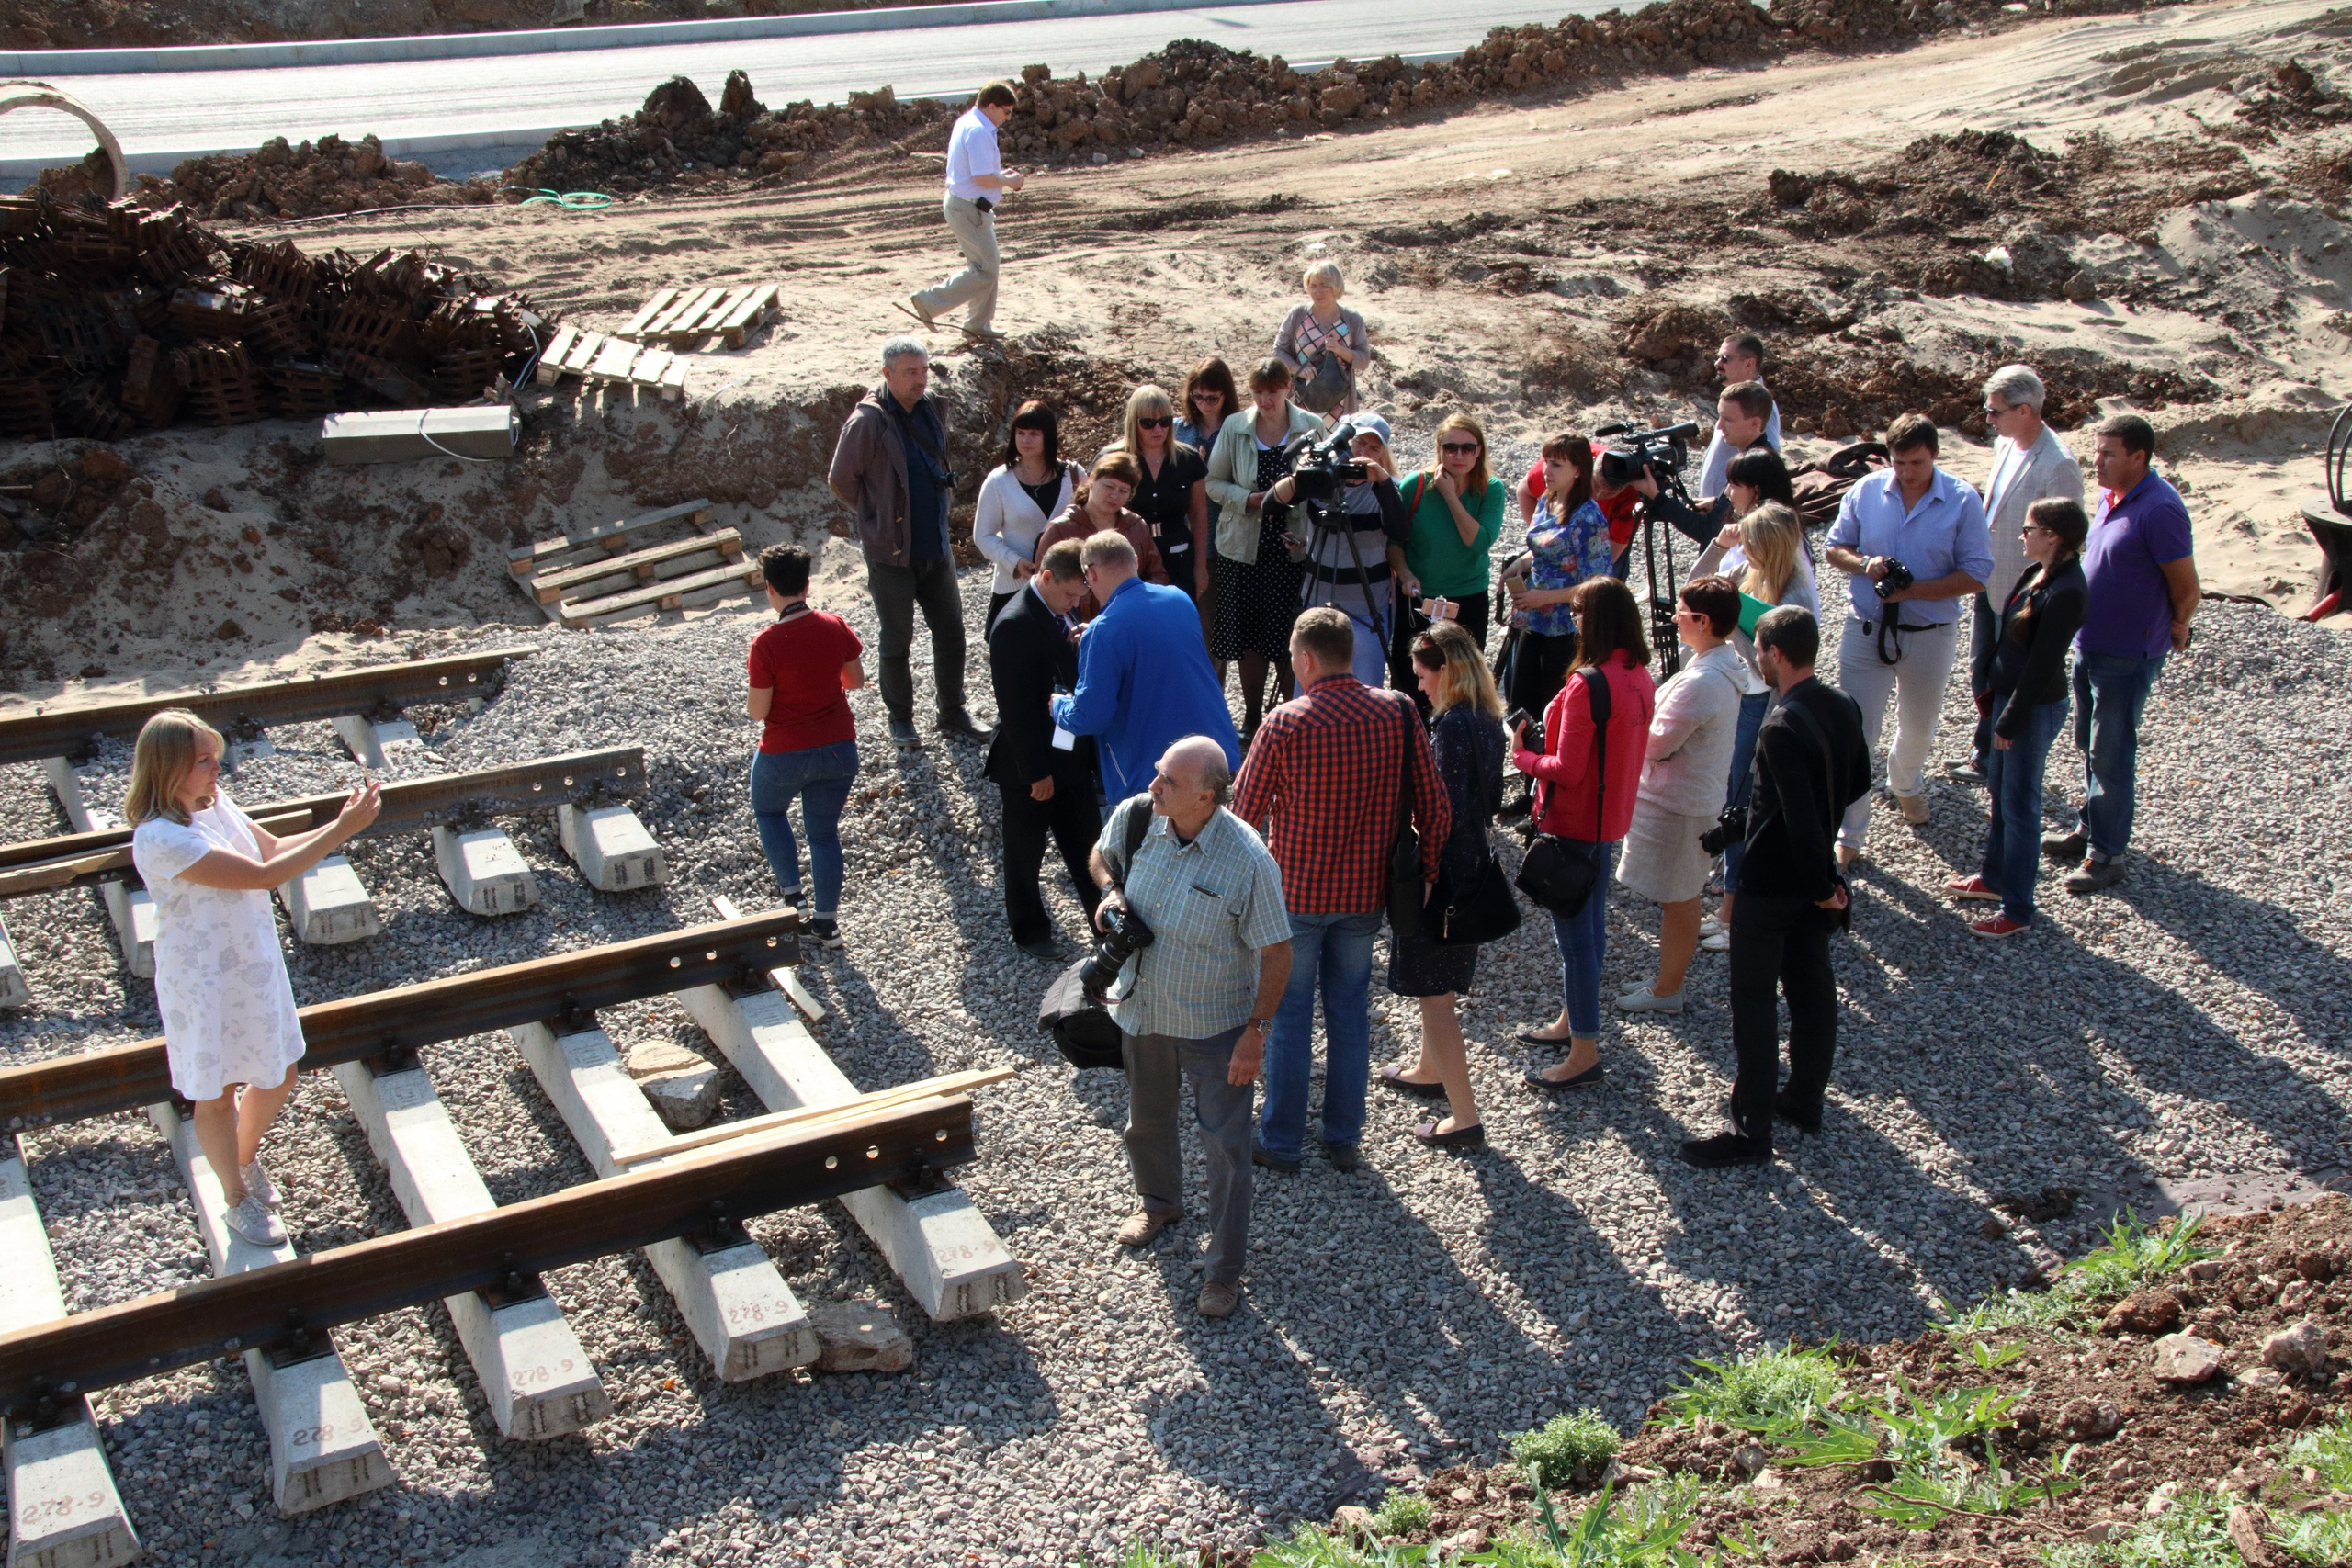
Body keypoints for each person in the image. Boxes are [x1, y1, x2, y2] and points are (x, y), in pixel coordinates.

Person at [128, 710, 383, 1246]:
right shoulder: (160, 838)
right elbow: (265, 877)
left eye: (214, 756)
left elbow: (268, 850)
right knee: (216, 1093)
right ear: (169, 767)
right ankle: (234, 1196)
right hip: (201, 981)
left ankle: (242, 1160)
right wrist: (342, 830)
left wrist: (341, 822)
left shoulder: (213, 805)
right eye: (203, 760)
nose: (216, 768)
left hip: (250, 965)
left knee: (279, 1073)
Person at [1231, 607, 1449, 1175]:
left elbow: (1244, 817)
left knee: (1288, 1014)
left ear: (1304, 660)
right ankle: (1343, 1135)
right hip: (1366, 896)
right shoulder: (1399, 710)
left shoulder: (1284, 723)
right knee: (1351, 1012)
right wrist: (1426, 875)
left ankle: (1280, 1141)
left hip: (1296, 897)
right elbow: (1436, 805)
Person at [1092, 736, 1292, 1320]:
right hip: (1144, 1014)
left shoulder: (1249, 861)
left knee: (1226, 1151)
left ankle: (1224, 1273)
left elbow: (1279, 954)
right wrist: (1110, 894)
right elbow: (1100, 855)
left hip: (1215, 1028)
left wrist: (1256, 1032)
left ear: (1206, 796)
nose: (1154, 785)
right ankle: (1159, 1204)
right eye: (1158, 773)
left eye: (1168, 782)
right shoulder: (1140, 817)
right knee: (1146, 1121)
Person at [1680, 607, 1870, 1169]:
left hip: (1774, 887)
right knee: (1813, 992)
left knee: (1755, 1005)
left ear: (1778, 655)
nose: (1755, 657)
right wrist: (1827, 886)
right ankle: (1805, 1100)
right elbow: (1855, 783)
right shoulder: (1844, 705)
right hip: (1814, 883)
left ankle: (1751, 1130)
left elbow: (1801, 816)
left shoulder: (1781, 726)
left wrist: (1816, 886)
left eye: (1759, 649)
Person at [1822, 412, 1993, 863]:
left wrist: (1911, 590)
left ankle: (1906, 783)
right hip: (1865, 627)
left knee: (1918, 726)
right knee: (1858, 732)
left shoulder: (1962, 500)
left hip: (1931, 632)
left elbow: (1977, 574)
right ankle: (1851, 833)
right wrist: (1866, 565)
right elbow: (1835, 547)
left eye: (1915, 463)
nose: (1906, 472)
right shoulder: (1866, 490)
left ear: (1934, 455)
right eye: (1898, 462)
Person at [2046, 414, 2199, 894]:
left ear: (2139, 457)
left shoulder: (2160, 509)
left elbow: (2187, 586)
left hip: (2128, 654)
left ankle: (2108, 855)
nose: (2098, 461)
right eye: (2097, 451)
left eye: (2109, 453)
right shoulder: (2111, 496)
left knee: (2111, 752)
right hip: (2090, 643)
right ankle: (2090, 828)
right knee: (2088, 744)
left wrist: (2177, 625)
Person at [1514, 579, 1657, 1089]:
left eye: (1578, 611)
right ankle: (1574, 1021)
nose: (1573, 619)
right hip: (1609, 818)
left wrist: (1523, 756)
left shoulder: (1588, 682)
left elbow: (1567, 769)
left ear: (1594, 620)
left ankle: (1585, 1051)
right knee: (1591, 928)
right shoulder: (1640, 674)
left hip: (1574, 822)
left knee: (1575, 940)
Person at [1378, 620, 1508, 1149]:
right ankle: (1430, 1068)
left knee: (1435, 995)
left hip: (1446, 873)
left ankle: (1464, 1116)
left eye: (1424, 676)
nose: (1419, 686)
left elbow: (1440, 813)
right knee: (1441, 984)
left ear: (1447, 671)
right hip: (1473, 863)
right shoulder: (1487, 719)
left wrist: (1425, 874)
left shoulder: (1452, 726)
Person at [827, 337, 989, 746]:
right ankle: (900, 718)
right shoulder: (867, 422)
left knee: (951, 633)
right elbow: (841, 481)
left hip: (935, 547)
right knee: (897, 639)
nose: (921, 380)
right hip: (892, 555)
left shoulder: (933, 406)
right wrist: (876, 516)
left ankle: (952, 712)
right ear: (886, 374)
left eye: (924, 370)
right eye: (911, 372)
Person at [1949, 498, 2087, 937]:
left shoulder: (2068, 591)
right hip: (2011, 699)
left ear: (2054, 536)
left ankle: (2019, 909)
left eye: (2029, 529)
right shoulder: (2037, 573)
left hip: (2031, 709)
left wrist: (2009, 722)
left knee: (2021, 807)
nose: (2021, 535)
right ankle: (1995, 878)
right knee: (2000, 797)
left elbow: (2043, 665)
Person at [1616, 575, 1747, 1014]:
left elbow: (1654, 744)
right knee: (1680, 895)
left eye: (1681, 612)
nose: (1673, 618)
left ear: (1703, 621)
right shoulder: (1719, 664)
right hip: (1693, 797)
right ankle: (1665, 980)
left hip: (1681, 805)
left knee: (1680, 898)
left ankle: (1668, 989)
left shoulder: (1702, 681)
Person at [1951, 364, 2085, 784]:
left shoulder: (2059, 464)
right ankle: (1986, 748)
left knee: (2006, 671)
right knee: (1981, 667)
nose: (1988, 420)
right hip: (1989, 577)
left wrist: (2038, 592)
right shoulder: (2007, 446)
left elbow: (2064, 537)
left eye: (1996, 412)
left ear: (2026, 411)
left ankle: (1995, 756)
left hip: (2022, 591)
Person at [1692, 501, 1816, 949]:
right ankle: (1729, 903)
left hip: (1768, 708)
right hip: (1745, 699)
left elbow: (1785, 661)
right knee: (1733, 797)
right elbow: (1697, 592)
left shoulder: (1797, 596)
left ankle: (1734, 913)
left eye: (1749, 541)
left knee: (1744, 804)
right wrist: (1715, 547)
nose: (1741, 547)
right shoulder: (1750, 574)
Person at [1054, 532, 1240, 800]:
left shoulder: (1104, 631)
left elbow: (1090, 716)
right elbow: (1152, 641)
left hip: (1157, 780)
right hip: (1217, 756)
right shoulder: (1179, 599)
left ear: (1091, 573)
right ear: (1136, 561)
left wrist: (1059, 706)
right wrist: (1096, 637)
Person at [746, 542, 866, 949]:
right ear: (807, 584)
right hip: (838, 748)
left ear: (769, 589)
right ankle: (827, 925)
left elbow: (758, 712)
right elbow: (856, 680)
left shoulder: (765, 644)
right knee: (824, 835)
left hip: (784, 751)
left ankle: (793, 900)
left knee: (768, 809)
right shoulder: (835, 625)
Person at [987, 538, 1104, 959]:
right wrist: (1036, 772)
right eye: (1071, 594)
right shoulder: (1014, 624)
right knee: (1025, 852)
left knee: (1089, 846)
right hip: (1030, 764)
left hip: (1070, 758)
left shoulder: (1059, 610)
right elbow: (1015, 708)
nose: (1075, 602)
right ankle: (1030, 931)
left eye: (1080, 595)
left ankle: (1105, 924)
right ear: (1047, 577)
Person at [1205, 358, 1323, 739]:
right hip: (1244, 548)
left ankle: (1294, 719)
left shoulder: (1311, 426)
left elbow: (1326, 486)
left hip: (1293, 550)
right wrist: (1251, 499)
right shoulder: (1235, 426)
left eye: (1272, 392)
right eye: (1258, 392)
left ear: (1288, 388)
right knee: (1249, 637)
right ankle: (1253, 717)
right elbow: (1213, 482)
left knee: (1293, 633)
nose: (1265, 400)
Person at [1496, 434, 1614, 810]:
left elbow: (1597, 583)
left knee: (1554, 709)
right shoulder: (1549, 502)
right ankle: (1529, 783)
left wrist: (1543, 597)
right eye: (1546, 461)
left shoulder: (1589, 518)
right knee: (1522, 701)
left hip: (1565, 627)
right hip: (1534, 619)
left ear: (1579, 470)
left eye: (1557, 464)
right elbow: (1547, 553)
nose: (1546, 471)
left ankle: (1549, 796)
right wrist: (1521, 564)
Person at [1262, 413, 1407, 689]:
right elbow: (1271, 505)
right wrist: (1302, 476)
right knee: (1308, 691)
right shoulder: (1322, 481)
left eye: (1373, 448)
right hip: (1316, 605)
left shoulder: (1386, 488)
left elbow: (1400, 532)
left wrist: (1383, 482)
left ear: (1384, 454)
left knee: (1363, 693)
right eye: (1358, 443)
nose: (1362, 453)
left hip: (1366, 610)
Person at [910, 80, 1023, 339]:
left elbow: (980, 173)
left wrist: (999, 176)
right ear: (991, 106)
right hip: (968, 208)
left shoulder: (969, 121)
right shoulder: (980, 131)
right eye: (1006, 112)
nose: (1007, 118)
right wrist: (1009, 181)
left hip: (965, 205)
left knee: (984, 267)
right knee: (986, 270)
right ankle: (928, 302)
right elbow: (983, 178)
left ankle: (977, 326)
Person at [1396, 412, 1507, 666]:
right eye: (1451, 448)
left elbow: (1479, 543)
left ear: (1479, 451)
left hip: (1468, 598)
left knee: (1462, 681)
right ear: (1439, 449)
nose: (1459, 455)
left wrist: (1450, 496)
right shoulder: (1416, 485)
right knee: (1413, 678)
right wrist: (1404, 573)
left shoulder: (1491, 489)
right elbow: (1394, 540)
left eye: (1467, 448)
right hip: (1420, 597)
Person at [974, 399, 1081, 635]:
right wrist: (1013, 562)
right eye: (1020, 433)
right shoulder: (998, 481)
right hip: (1014, 588)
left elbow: (1088, 522)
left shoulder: (1073, 475)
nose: (1025, 440)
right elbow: (983, 536)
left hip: (1066, 588)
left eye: (1034, 433)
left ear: (1048, 436)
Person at [1635, 384, 1781, 546]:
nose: (1719, 426)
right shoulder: (1765, 457)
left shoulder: (1752, 466)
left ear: (1755, 423)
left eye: (1728, 419)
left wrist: (1657, 497)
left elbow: (1708, 531)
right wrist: (1719, 504)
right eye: (1719, 417)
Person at [1102, 385, 1211, 604]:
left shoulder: (1188, 459)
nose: (1158, 430)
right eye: (1148, 423)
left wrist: (1200, 567)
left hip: (1178, 557)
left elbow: (1198, 514)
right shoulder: (1113, 458)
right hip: (1128, 558)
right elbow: (1098, 510)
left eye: (1165, 422)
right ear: (1134, 422)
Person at [1035, 451, 1169, 619]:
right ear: (1091, 480)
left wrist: (1132, 597)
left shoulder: (1136, 526)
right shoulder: (1061, 529)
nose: (1114, 495)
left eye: (1123, 490)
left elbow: (1158, 575)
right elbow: (1042, 585)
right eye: (1109, 486)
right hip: (1076, 627)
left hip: (1129, 620)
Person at [1272, 261, 1373, 415]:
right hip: (1301, 399)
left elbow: (1364, 360)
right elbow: (1278, 351)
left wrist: (1340, 350)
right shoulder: (1298, 314)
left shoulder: (1352, 320)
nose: (1318, 292)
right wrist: (1298, 370)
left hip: (1339, 402)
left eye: (1325, 285)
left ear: (1336, 286)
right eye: (1313, 286)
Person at [1695, 334, 1783, 498]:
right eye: (1718, 358)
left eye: (1725, 358)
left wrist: (1732, 505)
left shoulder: (1760, 405)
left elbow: (1769, 461)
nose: (1717, 363)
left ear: (1749, 363)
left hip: (1730, 514)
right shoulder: (1737, 401)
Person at [1175, 356, 1240, 455]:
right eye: (1198, 397)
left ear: (1226, 395)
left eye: (1212, 398)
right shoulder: (1176, 428)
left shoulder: (1239, 430)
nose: (1204, 404)